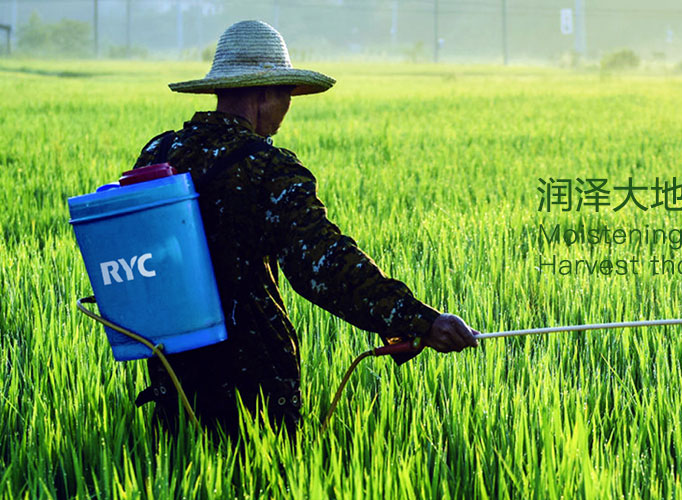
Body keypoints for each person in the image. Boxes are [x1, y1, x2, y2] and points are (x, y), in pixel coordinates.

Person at [132, 20, 478, 438]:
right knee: (260, 469)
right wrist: (422, 321)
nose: (287, 107)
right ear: (265, 93)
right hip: (251, 376)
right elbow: (327, 265)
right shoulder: (267, 168)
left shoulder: (160, 153)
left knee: (179, 462)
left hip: (171, 364)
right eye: (287, 94)